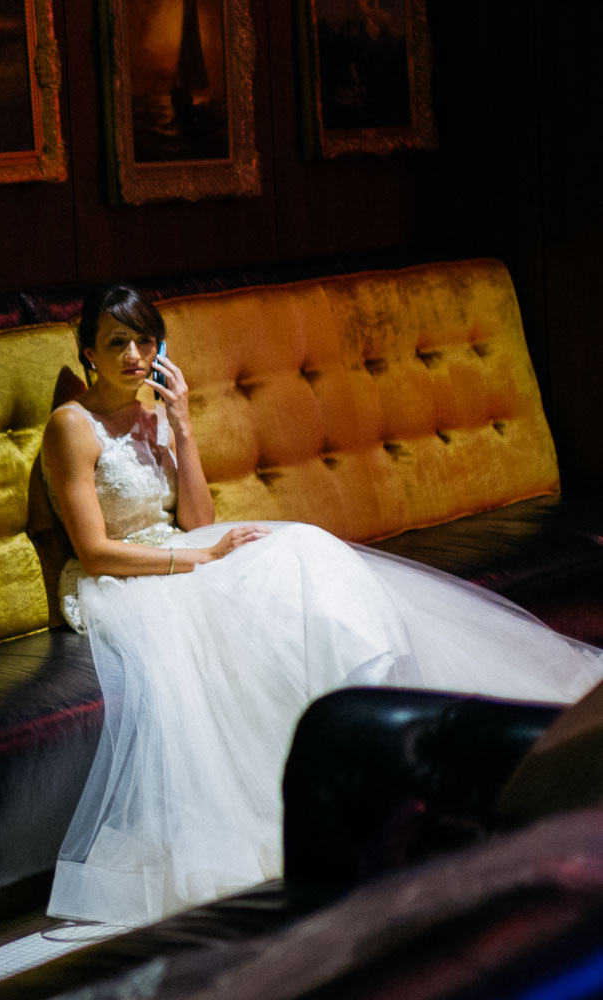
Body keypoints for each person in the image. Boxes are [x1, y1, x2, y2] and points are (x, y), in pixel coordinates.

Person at [41, 283, 603, 928]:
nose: (136, 355)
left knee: (303, 547)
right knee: (263, 580)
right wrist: (198, 559)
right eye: (118, 343)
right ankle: (353, 752)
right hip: (125, 581)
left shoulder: (155, 416)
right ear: (88, 352)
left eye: (145, 340)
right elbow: (94, 552)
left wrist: (185, 429)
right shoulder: (72, 427)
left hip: (182, 550)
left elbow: (198, 517)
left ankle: (370, 709)